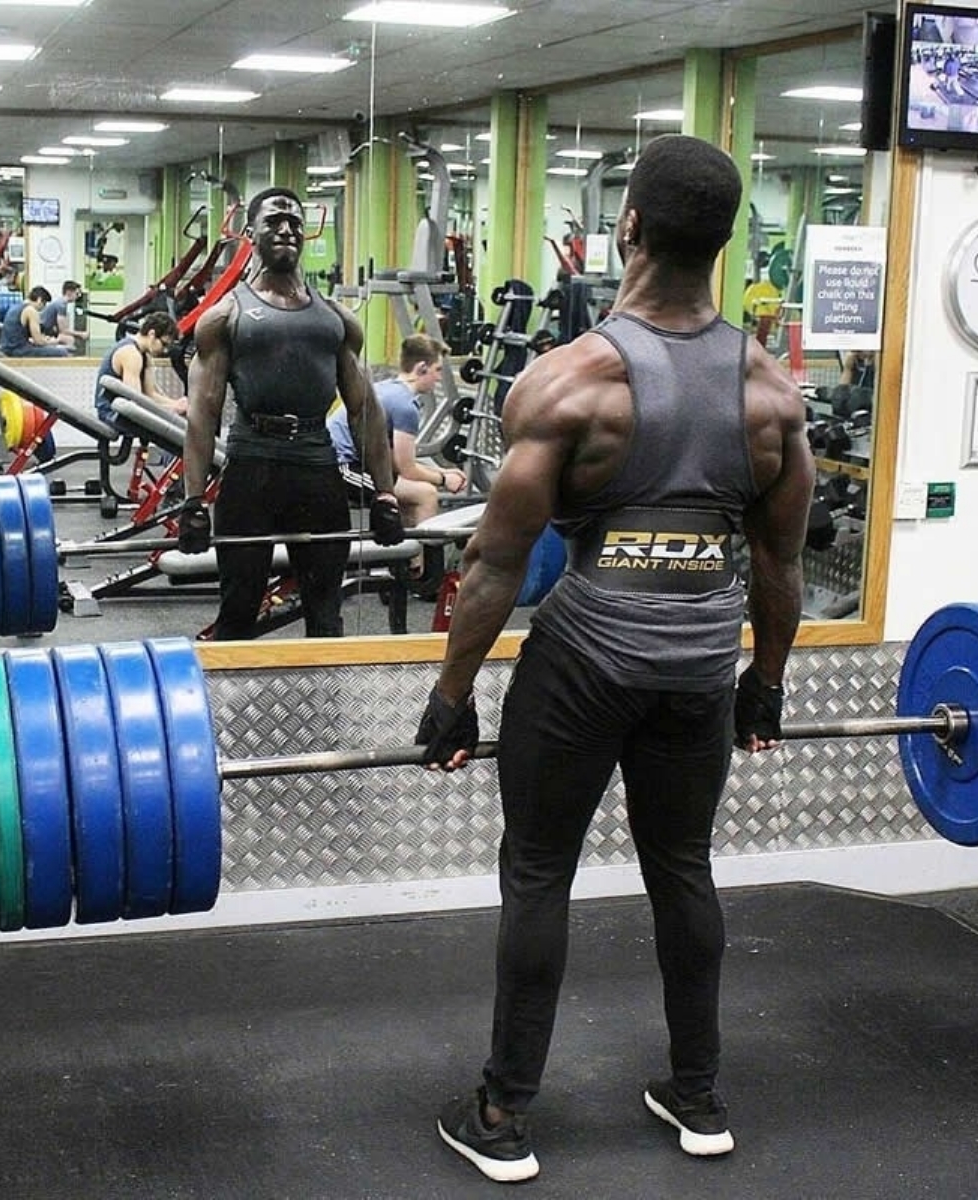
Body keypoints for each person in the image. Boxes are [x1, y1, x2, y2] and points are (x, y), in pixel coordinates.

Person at [418, 134, 815, 1183]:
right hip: (698, 671)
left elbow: (495, 560)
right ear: (725, 241)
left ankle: (503, 1112)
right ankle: (699, 1096)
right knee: (682, 867)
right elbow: (779, 566)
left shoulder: (568, 384)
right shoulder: (773, 394)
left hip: (584, 666)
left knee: (538, 871)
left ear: (627, 226)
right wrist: (765, 684)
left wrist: (452, 695)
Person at [178, 186, 405, 640]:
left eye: (295, 223)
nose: (286, 229)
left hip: (317, 467)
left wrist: (385, 493)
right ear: (251, 233)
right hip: (251, 468)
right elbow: (203, 414)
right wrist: (193, 500)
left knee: (327, 613)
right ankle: (230, 689)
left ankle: (324, 690)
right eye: (273, 222)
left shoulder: (336, 319)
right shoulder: (225, 315)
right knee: (238, 610)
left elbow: (365, 410)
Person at [327, 332, 468, 599]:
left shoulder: (388, 389)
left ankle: (405, 571)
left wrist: (440, 471)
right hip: (339, 468)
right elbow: (406, 468)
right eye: (437, 370)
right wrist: (444, 479)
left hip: (355, 463)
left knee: (412, 493)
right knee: (424, 494)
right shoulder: (404, 405)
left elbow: (394, 459)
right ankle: (424, 580)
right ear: (421, 368)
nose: (439, 378)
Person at [94, 310, 185, 431]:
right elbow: (136, 401)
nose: (165, 350)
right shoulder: (131, 354)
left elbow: (150, 394)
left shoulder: (145, 356)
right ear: (152, 334)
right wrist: (172, 409)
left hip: (124, 411)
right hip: (113, 415)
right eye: (164, 344)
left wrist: (176, 404)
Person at [0, 287, 71, 357]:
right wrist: (54, 342)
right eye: (44, 304)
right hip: (18, 351)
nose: (44, 307)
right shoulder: (31, 311)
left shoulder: (16, 307)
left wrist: (44, 339)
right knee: (63, 352)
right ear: (39, 300)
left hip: (7, 348)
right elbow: (38, 341)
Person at [39, 279, 88, 350]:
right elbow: (63, 330)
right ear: (69, 292)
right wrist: (81, 334)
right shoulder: (61, 305)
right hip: (43, 333)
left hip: (46, 332)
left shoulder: (60, 303)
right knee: (70, 340)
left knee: (69, 340)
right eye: (77, 293)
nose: (78, 296)